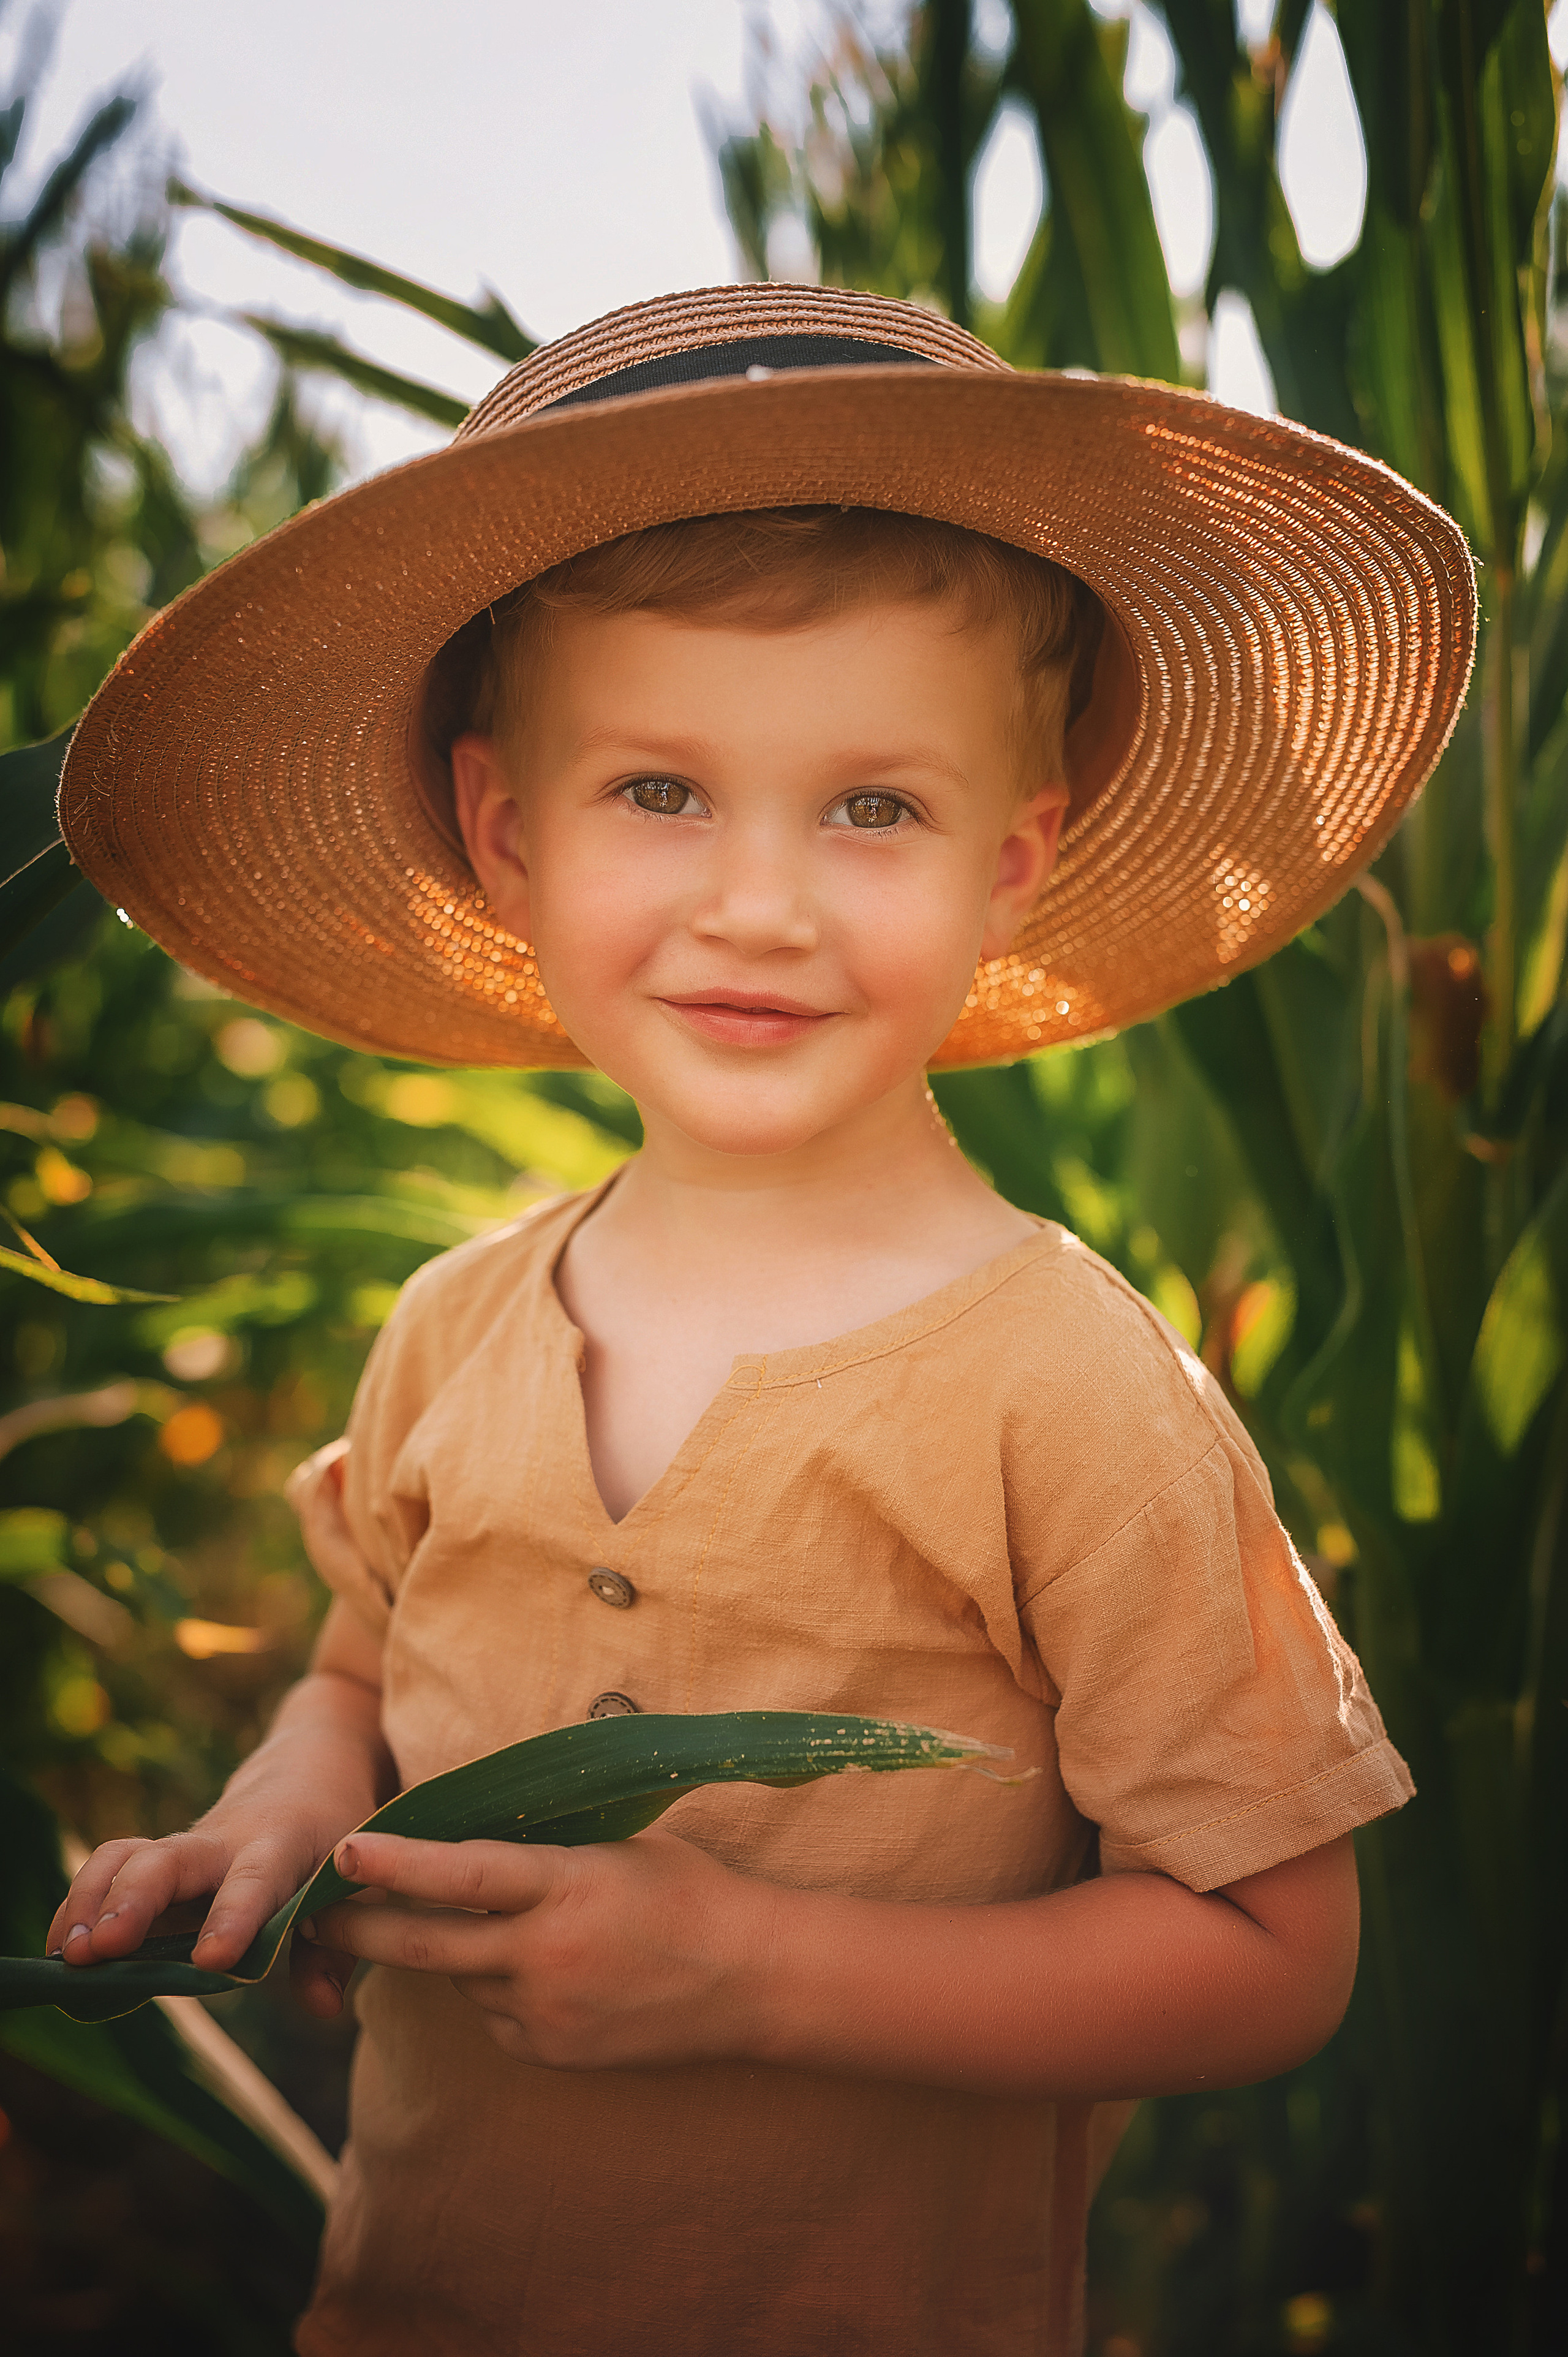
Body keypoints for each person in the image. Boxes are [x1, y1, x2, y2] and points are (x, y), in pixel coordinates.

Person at [48, 284, 1474, 2355]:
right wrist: (283, 1805)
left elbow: (1271, 1954)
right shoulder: (455, 1324)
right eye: (660, 791)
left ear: (1013, 861)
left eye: (874, 807)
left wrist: (755, 1970)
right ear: (506, 833)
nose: (760, 904)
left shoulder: (1067, 1384)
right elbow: (360, 1671)